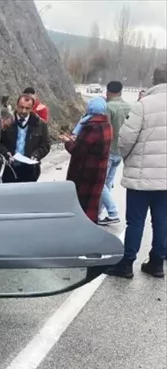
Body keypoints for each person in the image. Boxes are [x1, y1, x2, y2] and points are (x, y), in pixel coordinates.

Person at [105, 66, 167, 279]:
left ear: (153, 81)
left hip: (140, 178)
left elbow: (125, 138)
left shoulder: (143, 105)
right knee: (162, 221)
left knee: (136, 221)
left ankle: (127, 263)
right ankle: (157, 263)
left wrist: (128, 157)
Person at [59, 96, 112, 223]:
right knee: (92, 205)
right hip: (99, 170)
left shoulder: (91, 127)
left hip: (85, 173)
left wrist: (67, 142)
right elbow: (91, 145)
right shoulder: (107, 124)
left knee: (82, 207)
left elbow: (77, 150)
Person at [98, 80, 132, 226]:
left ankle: (112, 212)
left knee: (100, 183)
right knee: (108, 182)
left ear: (108, 91)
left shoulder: (108, 107)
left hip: (108, 150)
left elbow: (104, 130)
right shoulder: (129, 107)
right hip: (121, 151)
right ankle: (99, 211)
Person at [0, 94, 51, 183]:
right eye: (21, 107)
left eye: (27, 108)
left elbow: (45, 145)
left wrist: (36, 155)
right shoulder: (6, 121)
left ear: (32, 108)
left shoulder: (41, 124)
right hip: (8, 169)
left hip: (30, 171)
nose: (23, 111)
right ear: (16, 105)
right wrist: (5, 153)